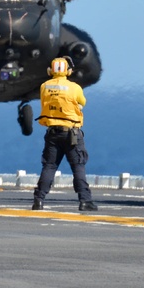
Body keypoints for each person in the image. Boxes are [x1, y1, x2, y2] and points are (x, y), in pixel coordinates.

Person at [32, 56, 97, 212]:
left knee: (49, 166)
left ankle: (38, 200)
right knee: (78, 166)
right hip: (71, 134)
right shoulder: (74, 87)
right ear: (68, 71)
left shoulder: (44, 86)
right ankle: (84, 201)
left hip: (52, 133)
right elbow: (83, 102)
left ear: (50, 70)